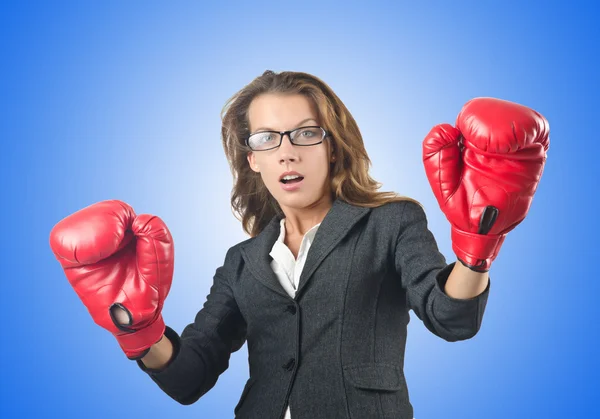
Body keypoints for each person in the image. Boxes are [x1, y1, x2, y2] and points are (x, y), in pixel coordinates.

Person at [49, 70, 549, 419]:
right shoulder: (242, 262)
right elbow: (188, 379)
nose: (287, 151)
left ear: (332, 147)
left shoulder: (391, 222)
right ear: (252, 159)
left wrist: (477, 242)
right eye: (267, 138)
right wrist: (137, 331)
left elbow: (451, 319)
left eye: (305, 133)